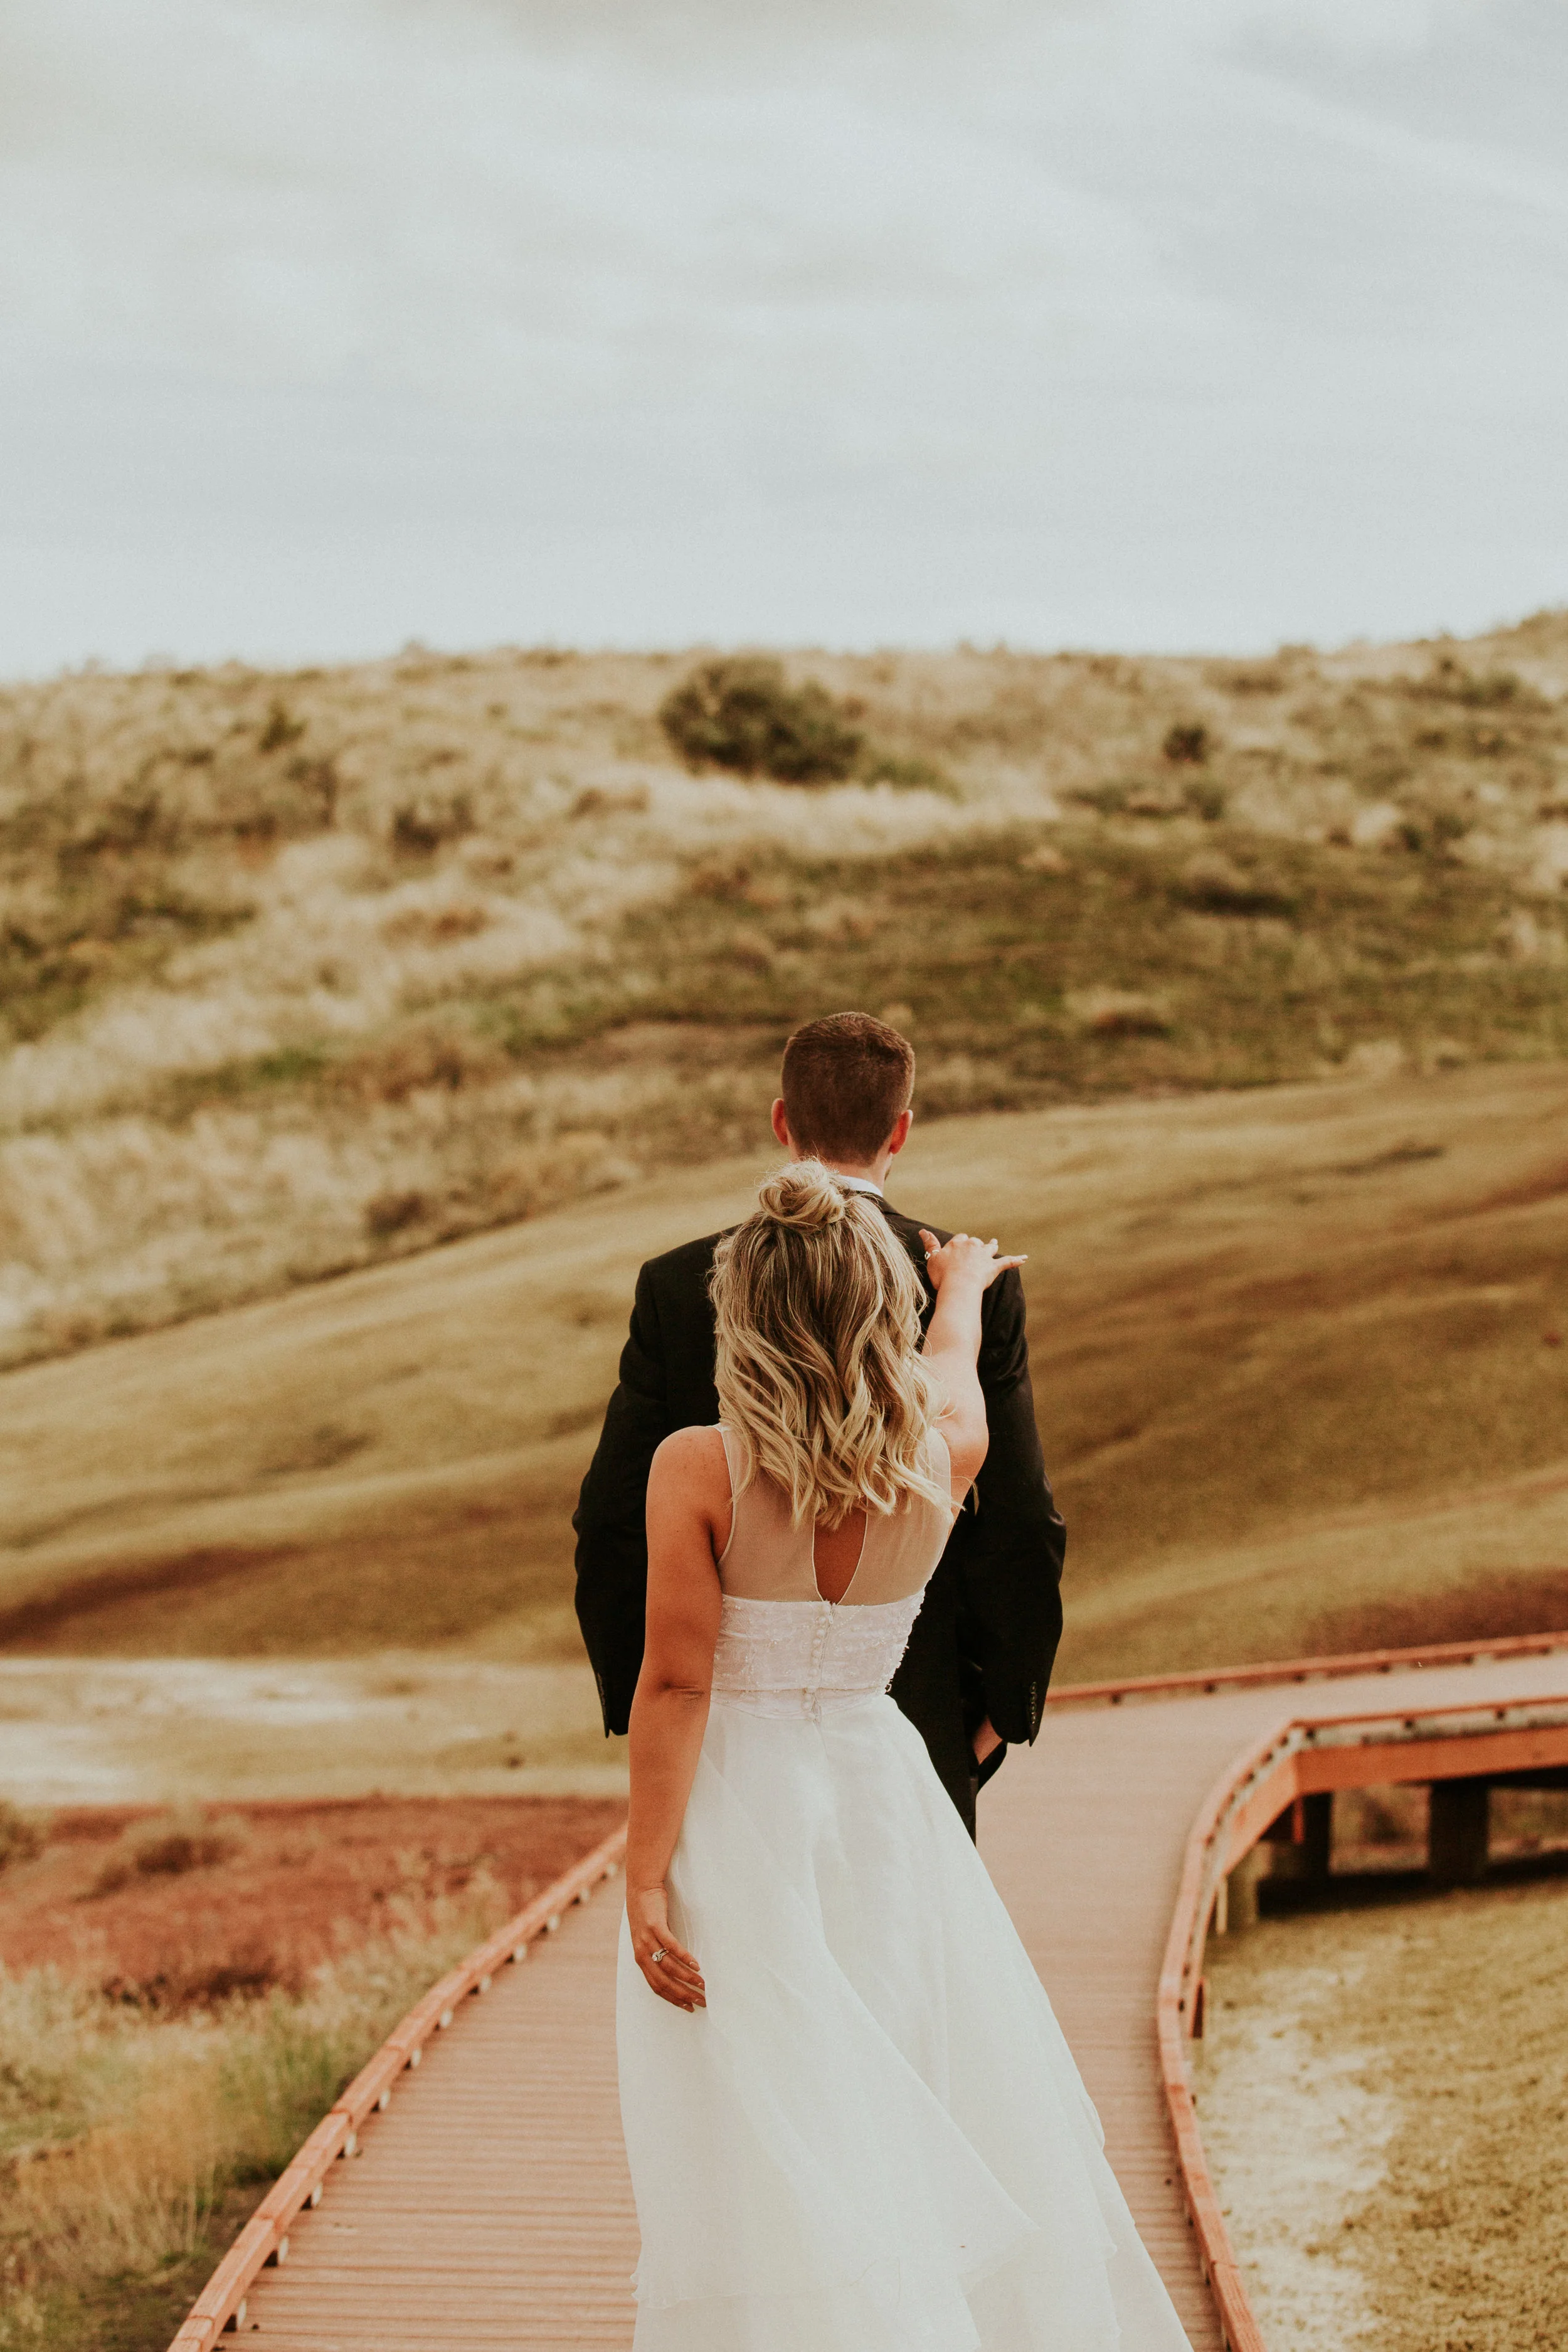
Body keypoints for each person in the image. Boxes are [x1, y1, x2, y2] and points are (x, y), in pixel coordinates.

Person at [613, 1160, 1192, 2351]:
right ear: (881, 1306)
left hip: (747, 1815)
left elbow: (674, 1681)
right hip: (887, 1803)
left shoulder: (698, 1468)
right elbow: (953, 1376)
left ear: (746, 1315)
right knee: (909, 2077)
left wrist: (641, 1867)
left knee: (768, 2119)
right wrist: (965, 1284)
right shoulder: (940, 1452)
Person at [574, 1010, 1064, 1834]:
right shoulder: (961, 1283)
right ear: (900, 1130)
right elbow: (1018, 1520)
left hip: (720, 1739)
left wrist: (647, 1701)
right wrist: (997, 1708)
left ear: (781, 1120)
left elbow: (614, 1518)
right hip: (915, 1722)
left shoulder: (680, 1280)